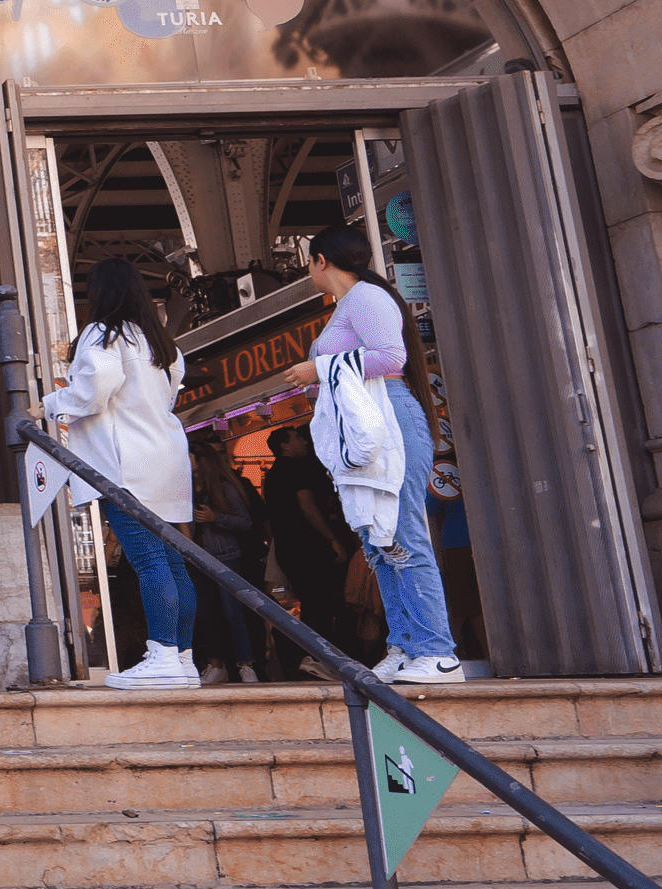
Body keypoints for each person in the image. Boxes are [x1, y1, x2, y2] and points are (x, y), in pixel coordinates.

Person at [303, 226, 461, 683]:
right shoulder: (355, 303)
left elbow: (391, 357)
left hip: (389, 420)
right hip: (375, 424)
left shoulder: (365, 300)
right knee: (379, 541)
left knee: (402, 533)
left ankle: (437, 650)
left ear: (320, 260)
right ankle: (407, 644)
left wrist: (319, 367)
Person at [46, 261, 199, 690]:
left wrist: (48, 403)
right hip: (166, 458)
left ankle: (163, 654)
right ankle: (183, 658)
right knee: (172, 562)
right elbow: (165, 397)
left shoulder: (103, 334)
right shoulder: (162, 343)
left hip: (125, 462)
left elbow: (95, 391)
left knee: (149, 560)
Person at [258, 430, 378, 662]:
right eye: (297, 438)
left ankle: (316, 657)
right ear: (284, 445)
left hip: (290, 549)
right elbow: (307, 505)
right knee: (326, 604)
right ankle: (326, 658)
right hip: (310, 547)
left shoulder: (272, 475)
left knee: (314, 604)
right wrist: (332, 538)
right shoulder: (295, 470)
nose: (304, 441)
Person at [186, 431, 279, 685]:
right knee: (207, 615)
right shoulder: (185, 490)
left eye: (189, 458)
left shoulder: (224, 488)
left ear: (200, 461)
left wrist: (217, 519)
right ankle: (217, 664)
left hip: (226, 557)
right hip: (198, 560)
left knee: (233, 613)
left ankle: (245, 665)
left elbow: (246, 522)